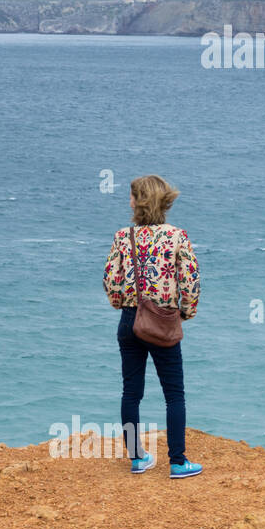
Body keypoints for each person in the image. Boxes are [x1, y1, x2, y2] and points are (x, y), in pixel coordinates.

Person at [103, 175, 202, 478]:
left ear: (139, 201)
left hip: (130, 322)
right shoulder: (177, 236)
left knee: (131, 393)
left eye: (131, 196)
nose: (129, 200)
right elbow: (190, 281)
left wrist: (122, 304)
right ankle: (177, 461)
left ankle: (137, 458)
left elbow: (111, 280)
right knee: (174, 394)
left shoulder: (123, 237)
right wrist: (184, 313)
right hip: (163, 321)